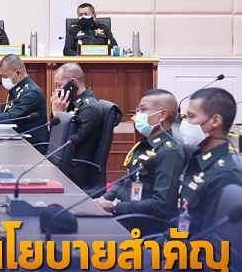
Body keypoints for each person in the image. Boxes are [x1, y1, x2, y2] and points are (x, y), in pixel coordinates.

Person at [94, 89, 185, 235]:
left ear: (162, 115)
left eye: (143, 110)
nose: (137, 115)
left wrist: (115, 206)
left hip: (144, 224)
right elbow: (126, 182)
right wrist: (102, 199)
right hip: (126, 215)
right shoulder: (145, 144)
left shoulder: (169, 152)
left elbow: (161, 205)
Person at [177, 87, 242, 238]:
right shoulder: (196, 160)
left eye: (191, 116)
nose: (185, 124)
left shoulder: (225, 175)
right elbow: (183, 218)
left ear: (215, 121)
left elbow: (212, 238)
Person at [50, 62, 103, 187]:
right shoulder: (70, 103)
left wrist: (58, 114)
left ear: (73, 82)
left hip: (75, 169)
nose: (57, 90)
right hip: (62, 161)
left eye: (59, 85)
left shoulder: (90, 108)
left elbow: (67, 142)